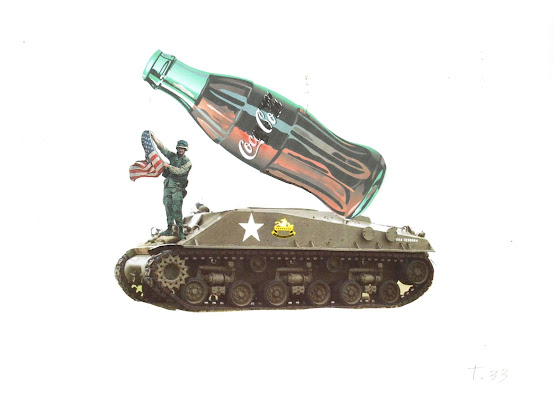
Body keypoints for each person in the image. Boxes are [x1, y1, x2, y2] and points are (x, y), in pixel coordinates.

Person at [151, 133, 192, 239]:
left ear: (185, 150)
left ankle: (180, 230)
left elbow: (180, 171)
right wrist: (154, 138)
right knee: (168, 206)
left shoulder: (187, 162)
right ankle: (169, 228)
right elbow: (163, 149)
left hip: (177, 188)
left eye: (182, 149)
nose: (180, 150)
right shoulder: (173, 156)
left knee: (177, 208)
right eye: (179, 148)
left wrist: (168, 166)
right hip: (168, 185)